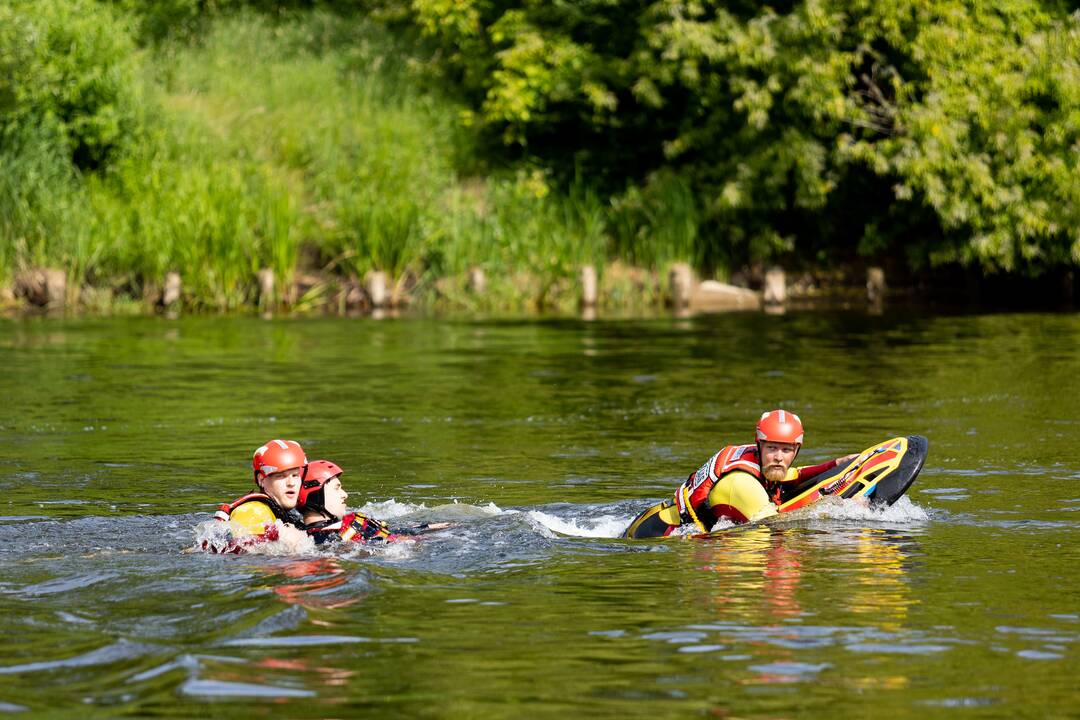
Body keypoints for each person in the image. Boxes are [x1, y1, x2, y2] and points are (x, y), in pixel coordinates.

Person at [623, 410, 857, 538]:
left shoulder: (757, 460)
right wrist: (834, 506)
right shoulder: (743, 485)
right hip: (656, 535)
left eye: (786, 450)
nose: (778, 457)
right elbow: (776, 526)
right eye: (772, 449)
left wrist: (835, 464)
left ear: (796, 451)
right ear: (760, 445)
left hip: (656, 517)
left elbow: (793, 474)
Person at [298, 460, 451, 545]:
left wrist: (426, 527)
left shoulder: (300, 535)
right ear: (315, 495)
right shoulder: (343, 528)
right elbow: (395, 542)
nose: (344, 495)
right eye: (337, 488)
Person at [211, 439, 310, 552]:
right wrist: (281, 539)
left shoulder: (279, 511)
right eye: (281, 476)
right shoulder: (253, 511)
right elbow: (243, 551)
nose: (291, 483)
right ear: (261, 480)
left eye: (295, 475)